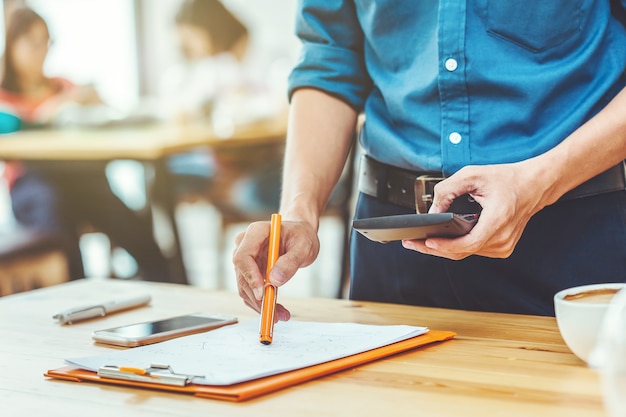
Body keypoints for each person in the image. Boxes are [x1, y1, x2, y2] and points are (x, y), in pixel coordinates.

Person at [233, 1, 626, 319]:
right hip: (392, 249)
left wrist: (538, 183)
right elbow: (329, 61)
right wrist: (300, 212)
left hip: (571, 236)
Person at [1, 7, 172, 282]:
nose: (42, 51)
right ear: (11, 45)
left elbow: (101, 115)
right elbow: (16, 125)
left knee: (122, 216)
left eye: (46, 42)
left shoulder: (62, 84)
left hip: (79, 176)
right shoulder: (5, 95)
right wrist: (61, 105)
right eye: (32, 43)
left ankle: (166, 280)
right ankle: (75, 291)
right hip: (32, 184)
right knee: (57, 214)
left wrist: (95, 102)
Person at [159, 0, 284, 215]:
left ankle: (235, 189)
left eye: (190, 40)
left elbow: (286, 113)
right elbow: (183, 111)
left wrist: (245, 105)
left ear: (209, 28)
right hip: (226, 162)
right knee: (163, 178)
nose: (189, 51)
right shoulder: (214, 66)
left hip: (271, 162)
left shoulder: (270, 53)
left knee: (248, 192)